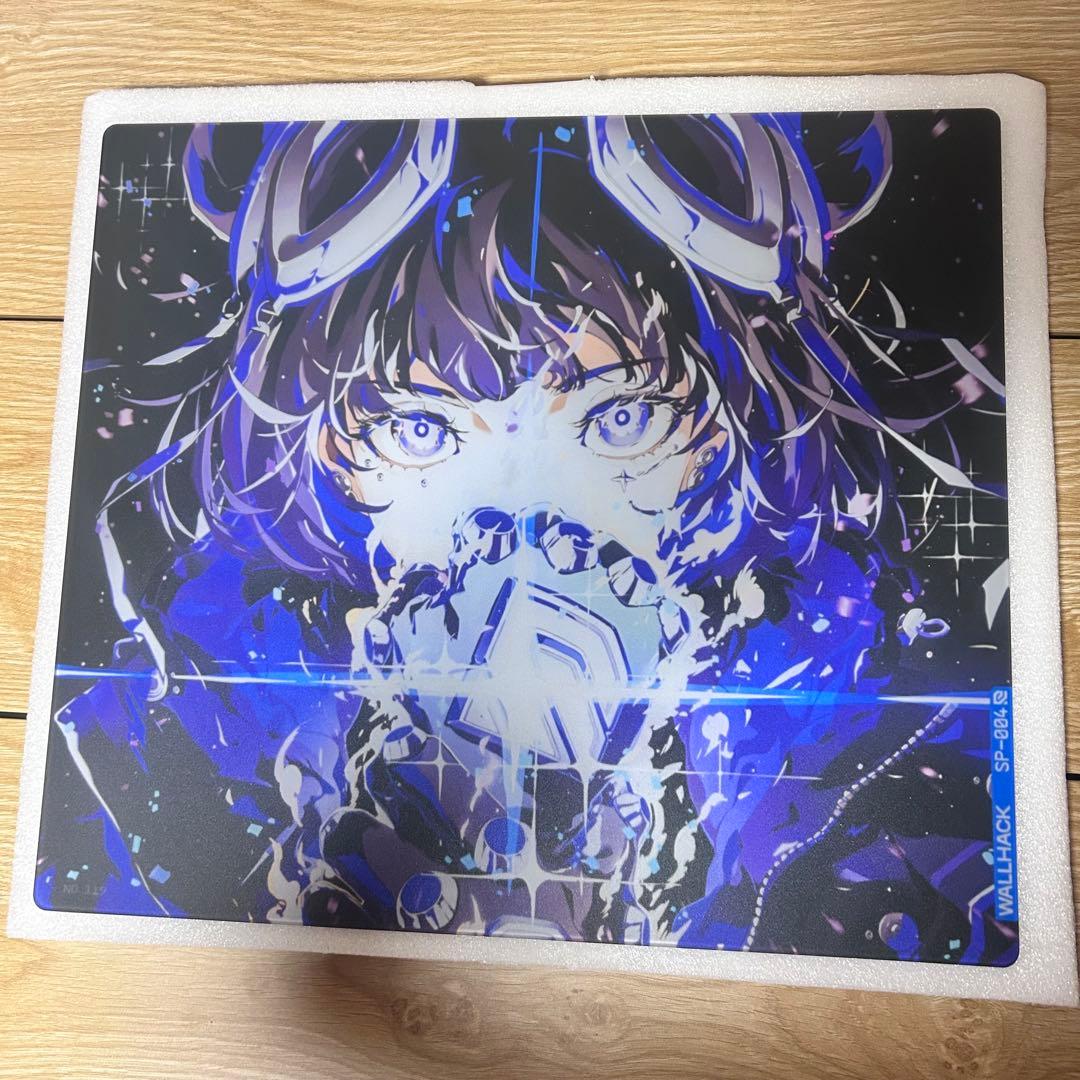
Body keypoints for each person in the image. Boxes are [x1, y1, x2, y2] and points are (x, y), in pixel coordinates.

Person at [39, 113, 1014, 962]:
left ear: (717, 442)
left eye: (619, 419)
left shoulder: (895, 743)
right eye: (424, 432)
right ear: (335, 457)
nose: (530, 517)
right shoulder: (156, 747)